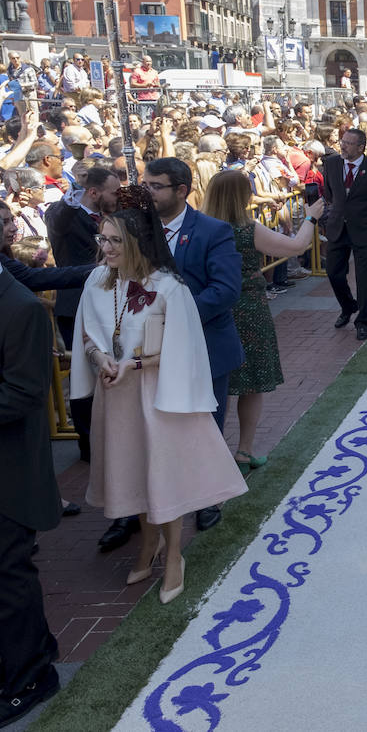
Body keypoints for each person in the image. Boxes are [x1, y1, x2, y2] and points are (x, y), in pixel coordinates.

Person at [71, 191, 247, 604]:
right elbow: (86, 333)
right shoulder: (96, 280)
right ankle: (147, 548)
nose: (106, 248)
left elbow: (184, 347)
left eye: (115, 241)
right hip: (116, 397)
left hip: (161, 397)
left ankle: (174, 558)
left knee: (165, 477)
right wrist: (100, 360)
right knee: (133, 472)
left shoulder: (169, 287)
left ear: (137, 243)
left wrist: (131, 365)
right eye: (103, 239)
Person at [202, 170, 324, 475]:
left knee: (217, 385)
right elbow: (297, 247)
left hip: (213, 311)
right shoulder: (246, 229)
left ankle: (212, 452)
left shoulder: (202, 229)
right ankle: (244, 451)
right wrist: (310, 217)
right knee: (252, 383)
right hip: (249, 308)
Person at [0, 263, 61, 728]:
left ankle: (29, 681)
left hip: (11, 473)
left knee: (9, 576)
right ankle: (38, 650)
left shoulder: (21, 308)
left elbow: (23, 392)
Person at [45, 166, 120, 462]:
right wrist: (74, 189)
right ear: (93, 192)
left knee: (114, 369)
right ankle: (90, 445)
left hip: (114, 304)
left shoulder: (113, 216)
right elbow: (57, 219)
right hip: (76, 307)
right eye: (113, 191)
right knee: (85, 379)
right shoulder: (65, 215)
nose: (118, 196)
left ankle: (116, 436)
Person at [322, 127, 367, 340]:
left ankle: (363, 322)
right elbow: (329, 193)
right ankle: (348, 306)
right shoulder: (331, 163)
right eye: (342, 141)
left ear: (361, 147)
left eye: (349, 143)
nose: (342, 145)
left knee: (364, 278)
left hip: (363, 230)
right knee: (333, 272)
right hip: (337, 228)